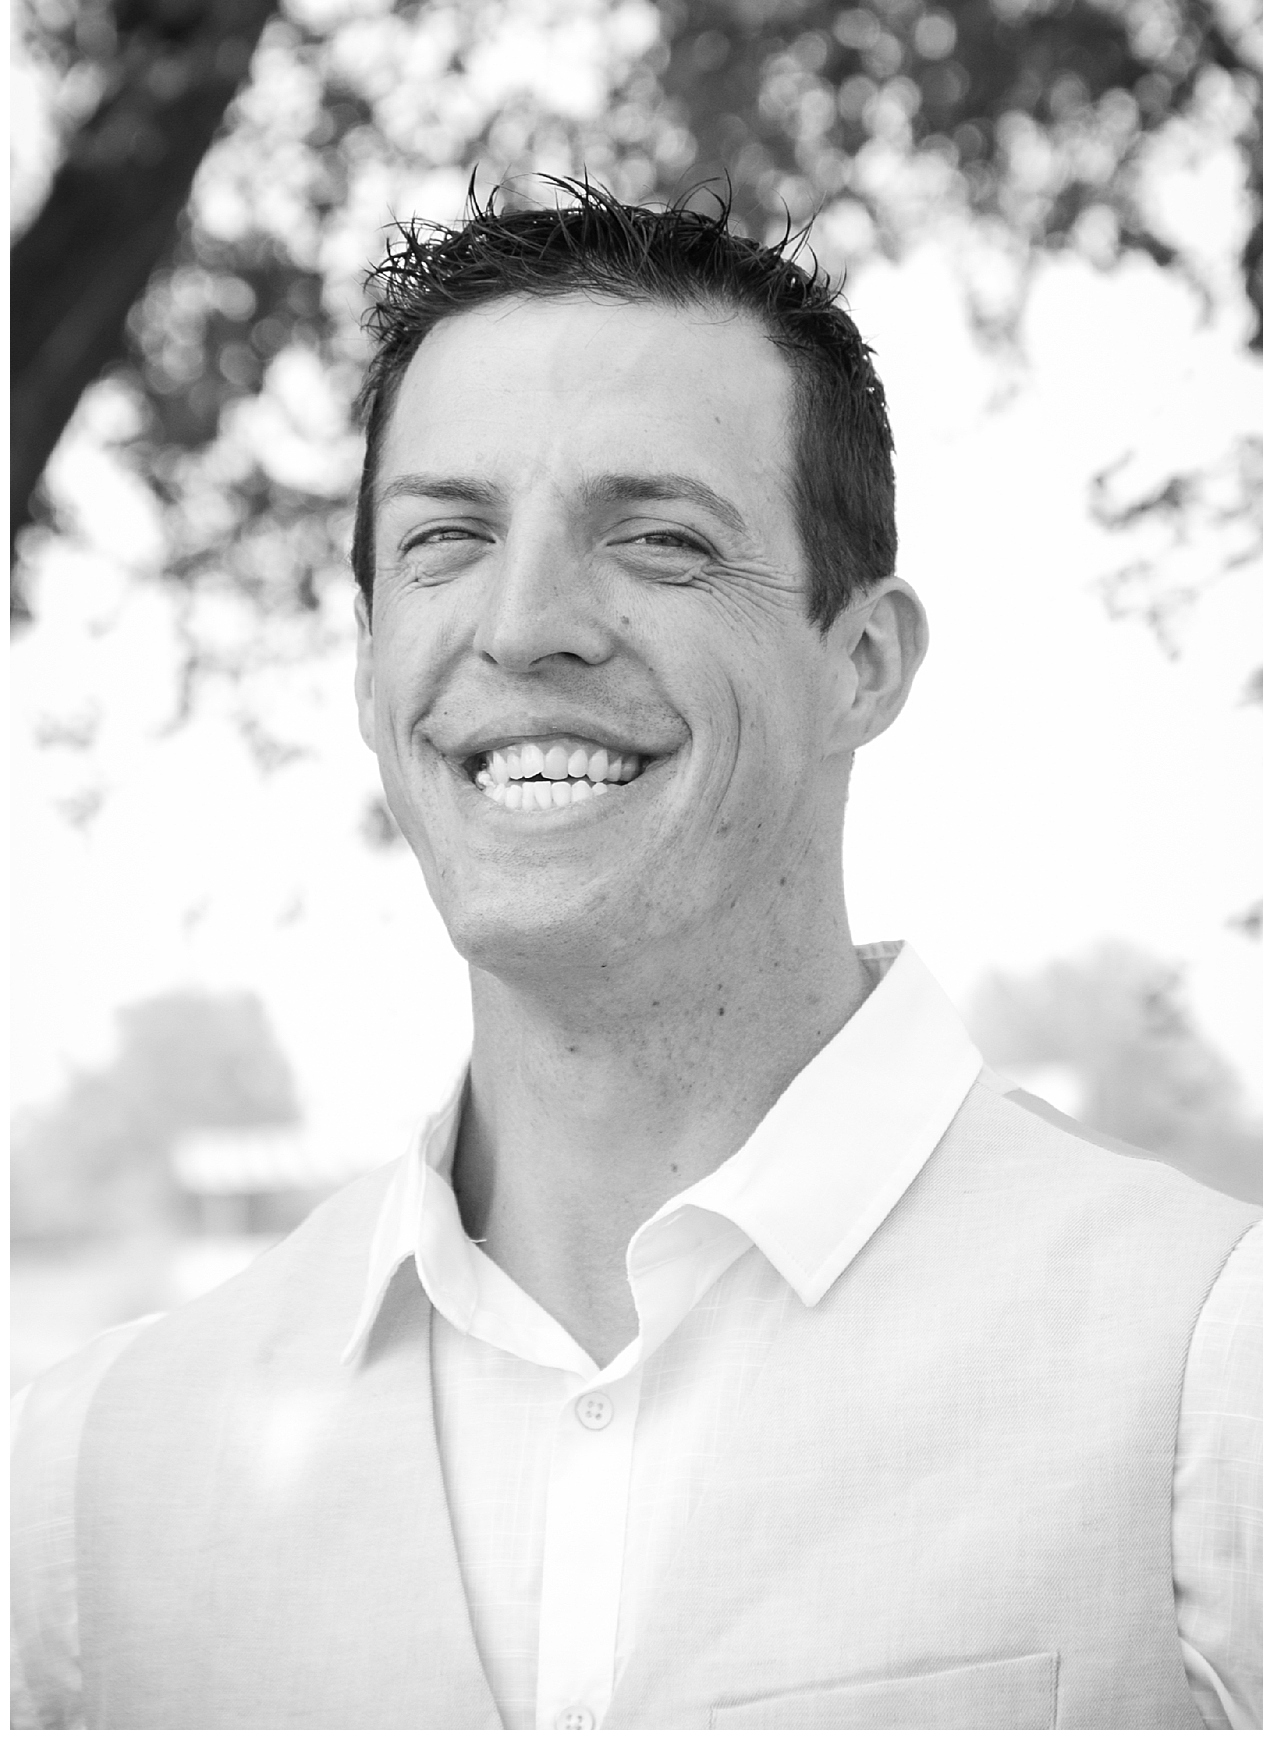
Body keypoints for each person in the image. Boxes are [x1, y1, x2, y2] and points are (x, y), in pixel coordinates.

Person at [11, 181, 1260, 1732]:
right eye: (444, 540)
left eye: (659, 541)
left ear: (859, 663)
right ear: (365, 663)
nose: (525, 624)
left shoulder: (1212, 1369)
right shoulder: (91, 1484)